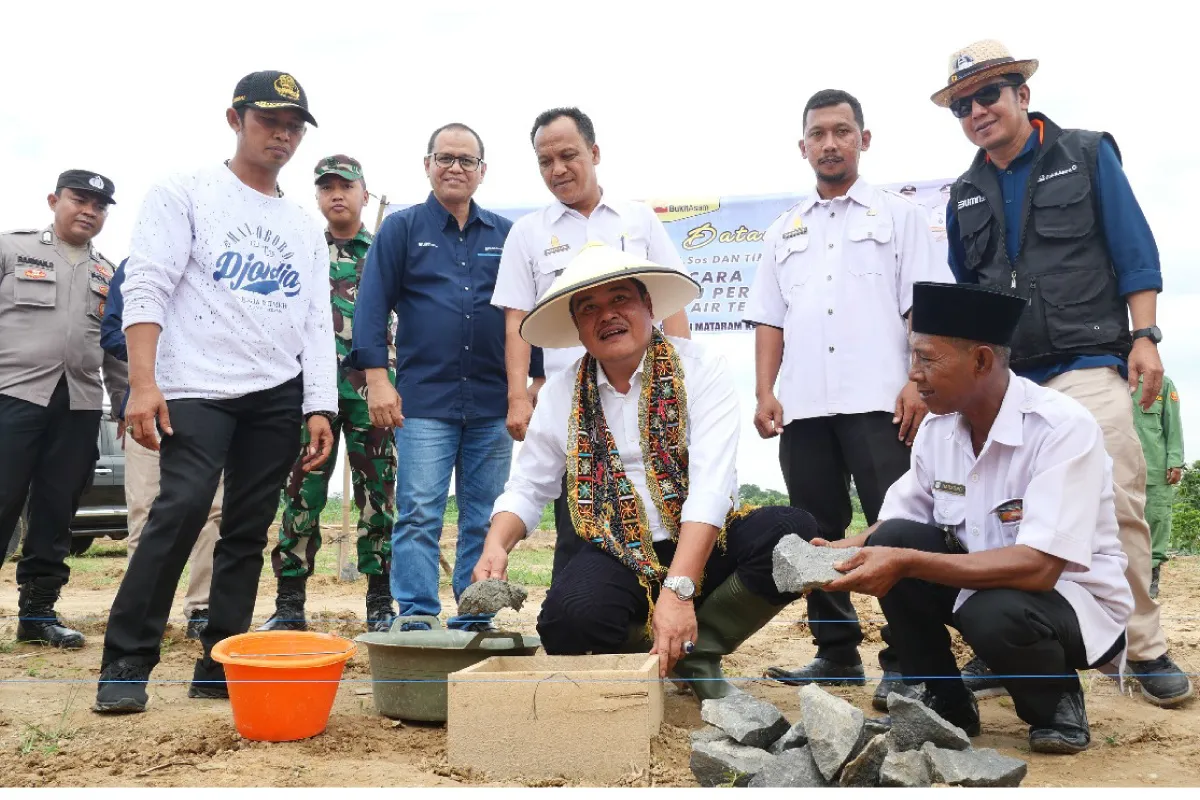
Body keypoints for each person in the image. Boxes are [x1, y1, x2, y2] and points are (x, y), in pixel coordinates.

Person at [936, 39, 1192, 707]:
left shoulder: (1085, 152)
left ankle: (1143, 646)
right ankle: (1005, 645)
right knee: (995, 517)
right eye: (963, 104)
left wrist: (1145, 337)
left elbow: (1134, 248)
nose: (977, 110)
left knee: (1117, 500)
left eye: (989, 93)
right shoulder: (963, 193)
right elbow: (970, 294)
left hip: (1086, 360)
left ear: (1023, 94)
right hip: (1010, 378)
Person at [94, 70, 337, 714]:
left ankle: (220, 657)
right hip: (195, 384)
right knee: (180, 509)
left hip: (277, 392)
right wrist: (143, 385)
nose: (281, 136)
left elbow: (316, 318)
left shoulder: (301, 223)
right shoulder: (185, 193)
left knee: (249, 527)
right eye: (268, 122)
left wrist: (320, 404)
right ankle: (127, 657)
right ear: (235, 119)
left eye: (293, 126)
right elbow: (146, 286)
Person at [474, 242, 810, 700]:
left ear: (648, 305)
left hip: (702, 541)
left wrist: (679, 587)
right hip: (616, 548)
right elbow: (530, 486)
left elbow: (712, 487)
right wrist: (497, 543)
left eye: (620, 300)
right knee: (566, 623)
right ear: (577, 327)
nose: (606, 315)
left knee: (791, 532)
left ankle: (695, 649)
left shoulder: (702, 368)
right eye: (588, 307)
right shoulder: (560, 392)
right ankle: (661, 648)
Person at [823, 280, 1134, 754]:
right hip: (981, 588)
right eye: (913, 358)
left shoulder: (1060, 427)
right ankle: (946, 702)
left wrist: (904, 561)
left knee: (989, 606)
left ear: (982, 361)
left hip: (1068, 605)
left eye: (927, 359)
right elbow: (899, 524)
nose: (914, 375)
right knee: (902, 538)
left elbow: (1039, 567)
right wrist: (836, 552)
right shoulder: (938, 429)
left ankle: (1054, 703)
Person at [747, 89, 952, 709]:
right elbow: (769, 319)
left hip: (880, 403)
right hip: (805, 407)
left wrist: (918, 381)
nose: (830, 143)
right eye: (819, 133)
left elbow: (925, 307)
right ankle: (836, 653)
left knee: (894, 526)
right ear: (802, 145)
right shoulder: (785, 229)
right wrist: (764, 390)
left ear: (865, 138)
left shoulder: (898, 217)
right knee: (814, 530)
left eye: (842, 131)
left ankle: (908, 659)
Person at [492, 107, 691, 585]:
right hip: (573, 405)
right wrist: (519, 396)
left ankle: (678, 603)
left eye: (568, 155)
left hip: (649, 394)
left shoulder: (638, 219)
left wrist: (682, 379)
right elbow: (516, 317)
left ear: (594, 153)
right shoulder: (528, 233)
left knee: (671, 510)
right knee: (577, 524)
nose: (557, 169)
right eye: (545, 161)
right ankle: (584, 605)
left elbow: (670, 303)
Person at [348, 125, 513, 632]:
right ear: (427, 165)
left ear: (482, 171)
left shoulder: (507, 235)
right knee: (419, 511)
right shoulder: (401, 229)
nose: (456, 168)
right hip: (423, 403)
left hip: (494, 403)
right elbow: (371, 306)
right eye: (445, 158)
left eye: (467, 160)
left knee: (482, 515)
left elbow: (522, 315)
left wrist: (531, 385)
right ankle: (417, 617)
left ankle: (474, 617)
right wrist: (377, 379)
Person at [259, 155, 397, 633]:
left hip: (371, 396)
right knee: (300, 495)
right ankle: (290, 603)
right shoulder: (301, 251)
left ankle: (380, 601)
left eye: (347, 186)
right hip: (309, 396)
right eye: (327, 187)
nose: (337, 194)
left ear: (365, 193)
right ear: (317, 197)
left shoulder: (384, 252)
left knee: (378, 497)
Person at [0, 170, 127, 649]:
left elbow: (115, 349)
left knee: (57, 511)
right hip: (12, 395)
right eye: (80, 199)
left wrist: (126, 403)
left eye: (100, 204)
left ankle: (37, 614)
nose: (89, 210)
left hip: (79, 403)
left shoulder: (108, 273)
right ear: (55, 200)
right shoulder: (12, 250)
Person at [101, 259, 222, 640]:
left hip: (210, 406)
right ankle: (142, 609)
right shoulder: (137, 265)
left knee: (214, 511)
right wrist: (166, 352)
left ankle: (201, 608)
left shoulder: (223, 262)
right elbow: (112, 333)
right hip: (149, 408)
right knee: (145, 510)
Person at [1132, 374, 1184, 599]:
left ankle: (1152, 574)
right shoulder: (1112, 378)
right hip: (1118, 467)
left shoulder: (1161, 383)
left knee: (1157, 520)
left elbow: (1173, 423)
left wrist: (1175, 460)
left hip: (1155, 465)